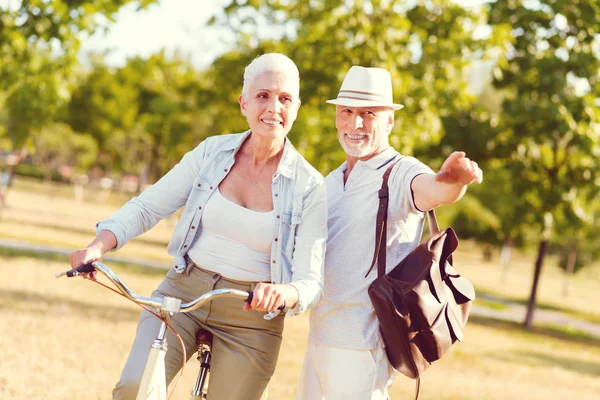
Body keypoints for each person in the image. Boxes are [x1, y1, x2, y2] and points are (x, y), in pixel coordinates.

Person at [69, 53, 327, 400]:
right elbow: (148, 206)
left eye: (285, 99)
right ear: (244, 102)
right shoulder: (211, 153)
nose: (273, 107)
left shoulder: (310, 186)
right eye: (263, 95)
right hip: (182, 293)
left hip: (251, 316)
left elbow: (310, 282)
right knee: (135, 389)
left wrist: (284, 293)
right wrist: (98, 246)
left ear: (296, 108)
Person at [296, 66, 483, 400]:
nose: (355, 124)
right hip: (319, 337)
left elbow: (432, 190)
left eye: (368, 113)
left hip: (364, 347)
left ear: (390, 121)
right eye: (347, 112)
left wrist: (453, 181)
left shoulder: (400, 172)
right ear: (336, 117)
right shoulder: (330, 180)